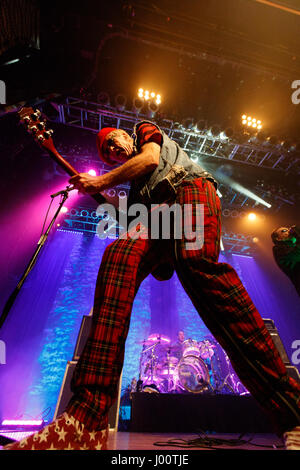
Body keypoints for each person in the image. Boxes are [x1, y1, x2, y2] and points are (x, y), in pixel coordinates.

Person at [4, 121, 300, 450]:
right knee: (119, 255)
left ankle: (293, 412)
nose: (113, 151)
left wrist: (100, 181)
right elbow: (146, 242)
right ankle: (87, 418)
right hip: (160, 215)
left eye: (113, 143)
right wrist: (114, 208)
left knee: (195, 264)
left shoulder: (145, 131)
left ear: (125, 135)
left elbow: (148, 159)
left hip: (190, 190)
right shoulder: (138, 193)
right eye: (108, 154)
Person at [271, 225, 300, 297]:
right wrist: (297, 237)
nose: (288, 231)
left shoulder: (295, 244)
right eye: (284, 231)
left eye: (288, 229)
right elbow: (296, 255)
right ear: (278, 238)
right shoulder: (278, 250)